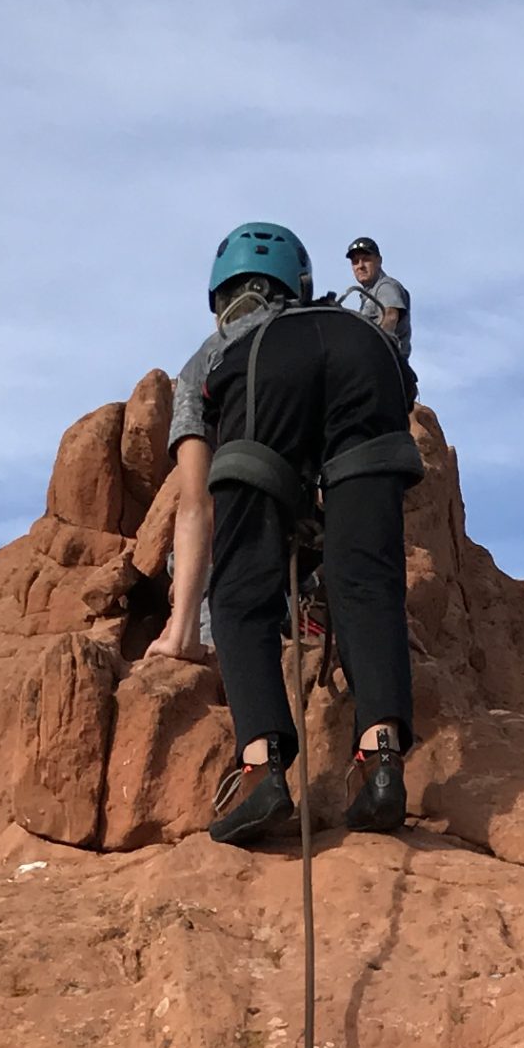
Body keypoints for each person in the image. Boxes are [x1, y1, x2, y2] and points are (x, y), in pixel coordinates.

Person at [154, 223, 423, 851]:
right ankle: (380, 760)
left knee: (244, 589)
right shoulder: (332, 311)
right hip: (368, 361)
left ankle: (262, 773)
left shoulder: (209, 356)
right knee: (366, 579)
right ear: (298, 281)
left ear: (221, 298)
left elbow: (197, 506)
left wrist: (181, 631)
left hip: (264, 373)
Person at [336, 240, 411, 358]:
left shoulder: (386, 286)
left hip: (386, 364)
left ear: (379, 261)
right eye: (355, 262)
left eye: (366, 259)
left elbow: (390, 316)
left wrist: (377, 348)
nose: (360, 266)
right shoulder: (367, 294)